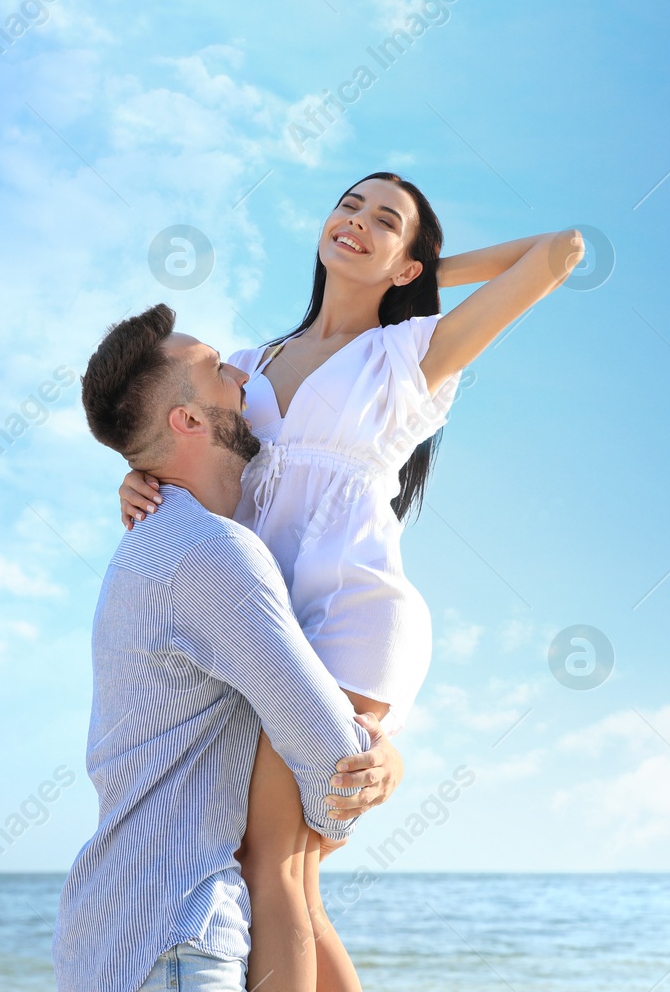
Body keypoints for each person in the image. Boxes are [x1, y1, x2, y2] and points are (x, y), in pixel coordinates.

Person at [117, 172, 585, 990]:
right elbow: (169, 428)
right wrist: (134, 480)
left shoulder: (411, 353)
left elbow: (559, 252)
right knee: (276, 873)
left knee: (273, 863)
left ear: (408, 265)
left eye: (384, 222)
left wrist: (427, 268)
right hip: (259, 620)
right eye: (350, 206)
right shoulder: (248, 362)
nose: (357, 223)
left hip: (350, 614)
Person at [53, 304, 405, 992]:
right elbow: (337, 767)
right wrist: (383, 756)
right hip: (176, 936)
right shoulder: (213, 553)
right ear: (186, 421)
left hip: (120, 941)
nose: (243, 375)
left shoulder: (160, 541)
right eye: (217, 369)